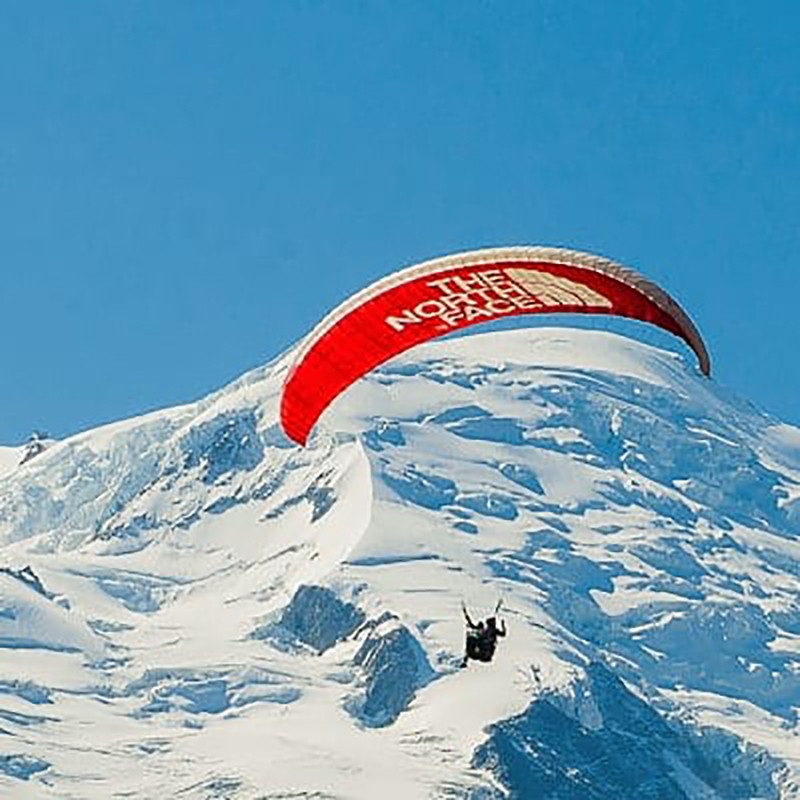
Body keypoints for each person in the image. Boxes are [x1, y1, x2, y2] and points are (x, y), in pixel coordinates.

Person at [461, 603, 506, 667]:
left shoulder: (494, 631)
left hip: (486, 652)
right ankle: (466, 660)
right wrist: (466, 615)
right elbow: (472, 625)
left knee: (472, 639)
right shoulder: (485, 630)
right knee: (471, 639)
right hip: (481, 650)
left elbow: (503, 634)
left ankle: (466, 658)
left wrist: (503, 625)